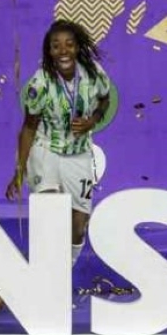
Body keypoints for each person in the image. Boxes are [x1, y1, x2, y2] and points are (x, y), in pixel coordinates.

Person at [7, 20, 110, 267]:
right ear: (49, 51)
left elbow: (104, 100)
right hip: (46, 153)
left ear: (77, 48)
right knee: (51, 215)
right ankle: (41, 274)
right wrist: (19, 171)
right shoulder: (39, 83)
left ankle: (62, 273)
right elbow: (29, 127)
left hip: (80, 155)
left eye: (69, 45)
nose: (63, 51)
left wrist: (92, 121)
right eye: (56, 46)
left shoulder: (93, 73)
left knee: (78, 225)